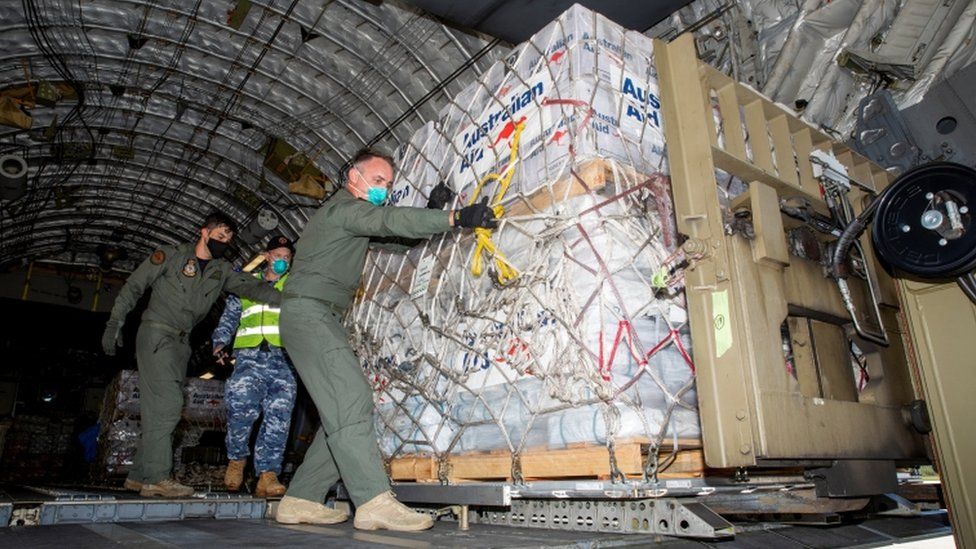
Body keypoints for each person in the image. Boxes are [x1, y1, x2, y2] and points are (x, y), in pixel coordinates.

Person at [273, 149, 495, 530]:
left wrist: (429, 210)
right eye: (378, 181)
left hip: (320, 315)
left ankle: (301, 498)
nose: (384, 190)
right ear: (353, 177)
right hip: (308, 312)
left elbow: (396, 240)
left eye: (389, 185)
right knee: (352, 398)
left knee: (342, 411)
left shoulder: (354, 218)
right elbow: (389, 218)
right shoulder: (343, 208)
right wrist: (455, 217)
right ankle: (373, 501)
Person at [102, 212, 283, 498]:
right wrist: (115, 323)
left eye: (229, 239)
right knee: (170, 404)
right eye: (220, 236)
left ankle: (138, 475)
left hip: (181, 344)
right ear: (204, 232)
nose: (225, 243)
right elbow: (134, 286)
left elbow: (253, 288)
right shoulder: (171, 256)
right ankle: (158, 478)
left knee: (157, 408)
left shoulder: (220, 270)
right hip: (157, 334)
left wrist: (292, 298)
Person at [211, 234, 297, 498]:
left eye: (287, 257)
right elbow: (230, 316)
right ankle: (236, 462)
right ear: (267, 256)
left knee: (278, 419)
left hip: (284, 360)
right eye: (277, 255)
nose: (281, 260)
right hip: (249, 358)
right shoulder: (246, 283)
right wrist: (220, 342)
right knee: (240, 411)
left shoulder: (293, 285)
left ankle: (268, 475)